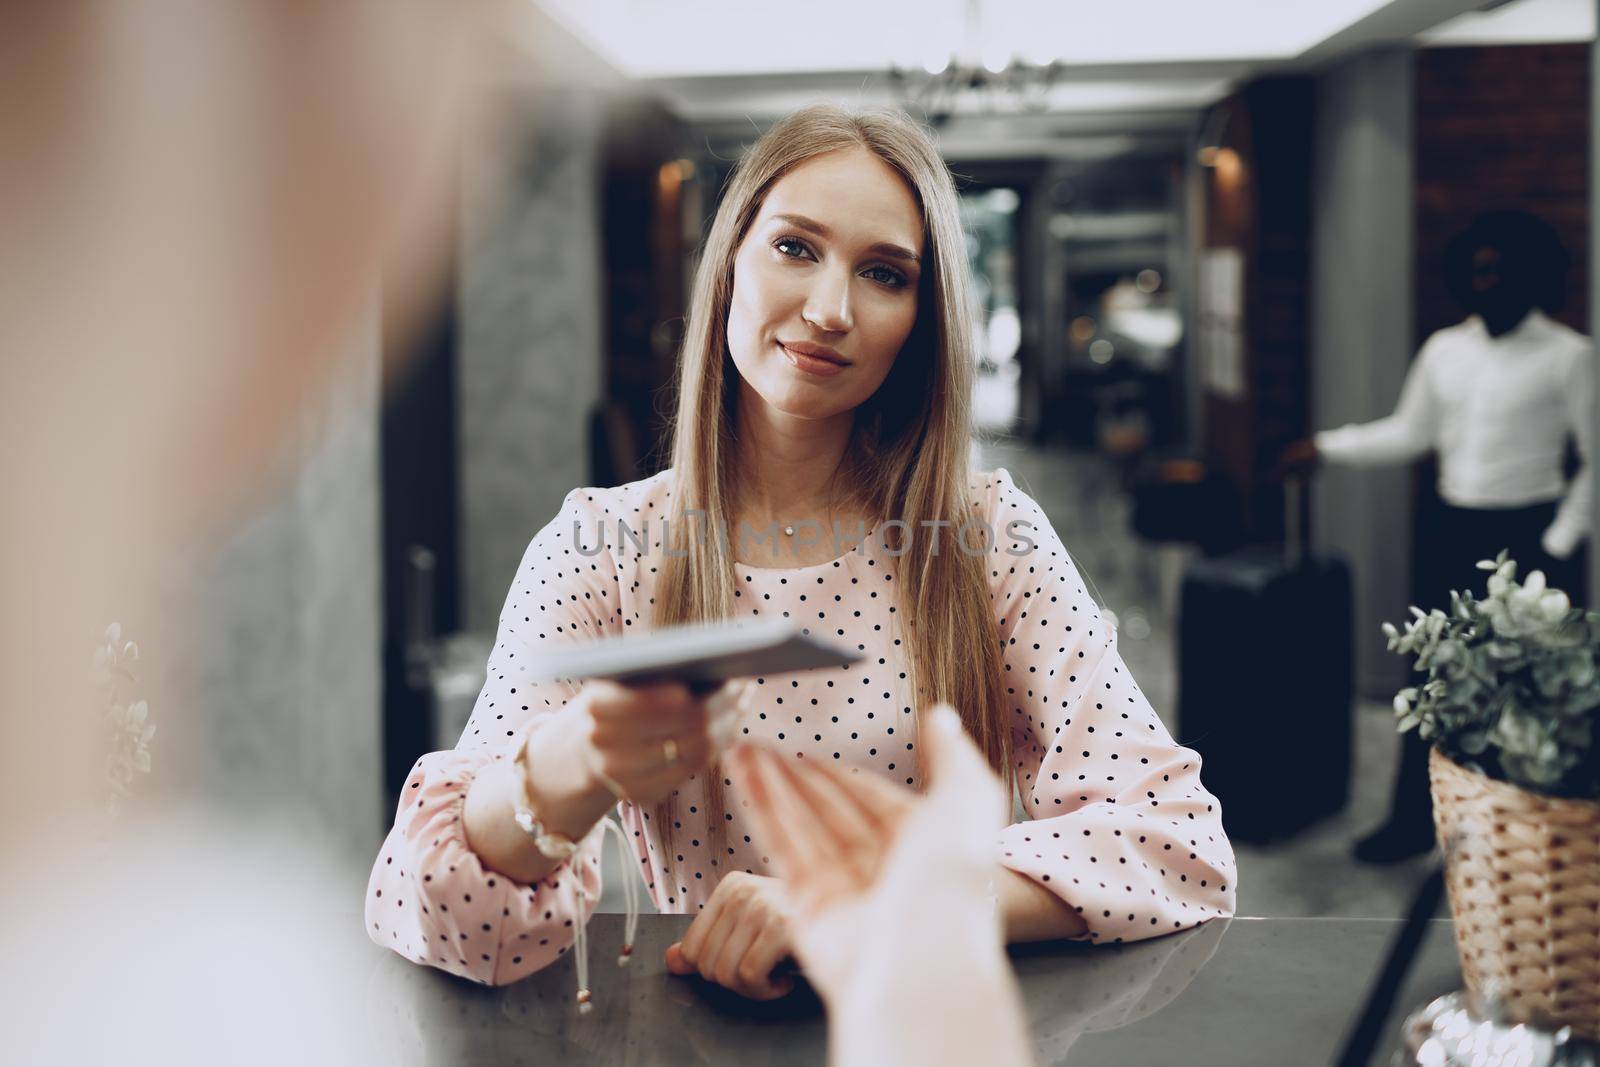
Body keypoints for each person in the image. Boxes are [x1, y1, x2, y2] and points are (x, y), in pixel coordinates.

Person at [366, 104, 1236, 1000]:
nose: (828, 310)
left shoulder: (984, 537)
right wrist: (564, 768)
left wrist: (877, 895)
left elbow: (1177, 841)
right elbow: (444, 920)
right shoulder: (603, 548)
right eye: (795, 248)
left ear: (921, 319)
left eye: (885, 274)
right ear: (729, 261)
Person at [1281, 210, 1594, 864]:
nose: (1490, 279)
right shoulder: (1445, 349)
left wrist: (1560, 544)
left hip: (1533, 536)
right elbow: (1410, 431)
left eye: (1502, 268)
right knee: (1433, 679)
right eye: (1479, 269)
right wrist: (1327, 447)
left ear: (1534, 274)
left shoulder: (1570, 355)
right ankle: (1411, 821)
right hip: (1455, 527)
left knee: (1530, 692)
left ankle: (1524, 837)